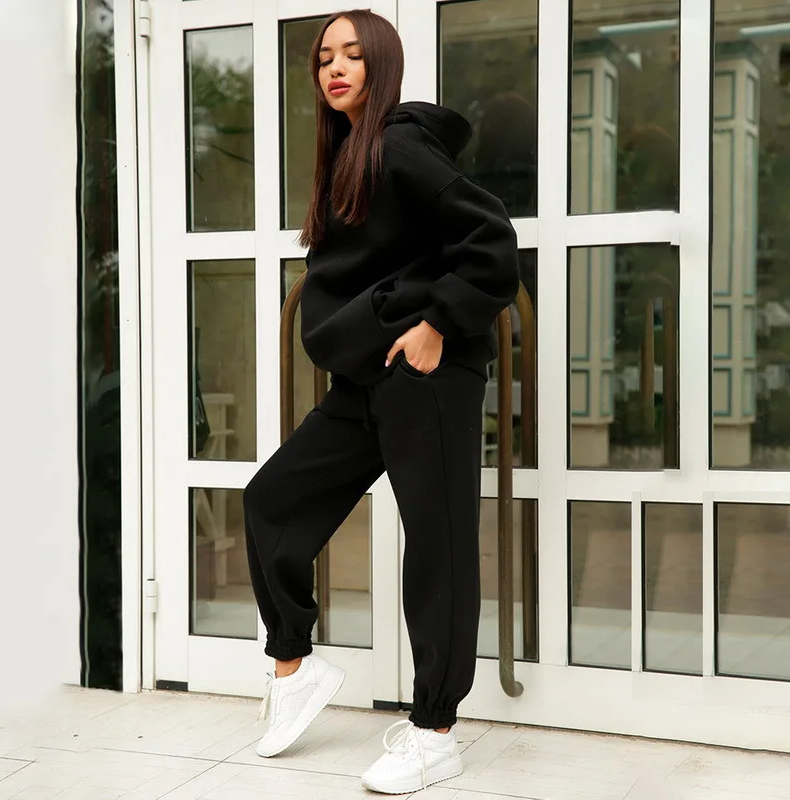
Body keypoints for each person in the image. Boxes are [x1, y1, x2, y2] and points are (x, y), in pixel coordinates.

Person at [243, 9, 519, 795]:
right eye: (324, 57)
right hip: (366, 377)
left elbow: (492, 241)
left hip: (425, 374)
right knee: (273, 500)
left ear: (382, 65)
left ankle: (435, 732)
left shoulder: (400, 147)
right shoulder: (351, 156)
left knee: (438, 546)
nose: (335, 68)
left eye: (353, 55)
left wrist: (438, 324)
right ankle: (293, 665)